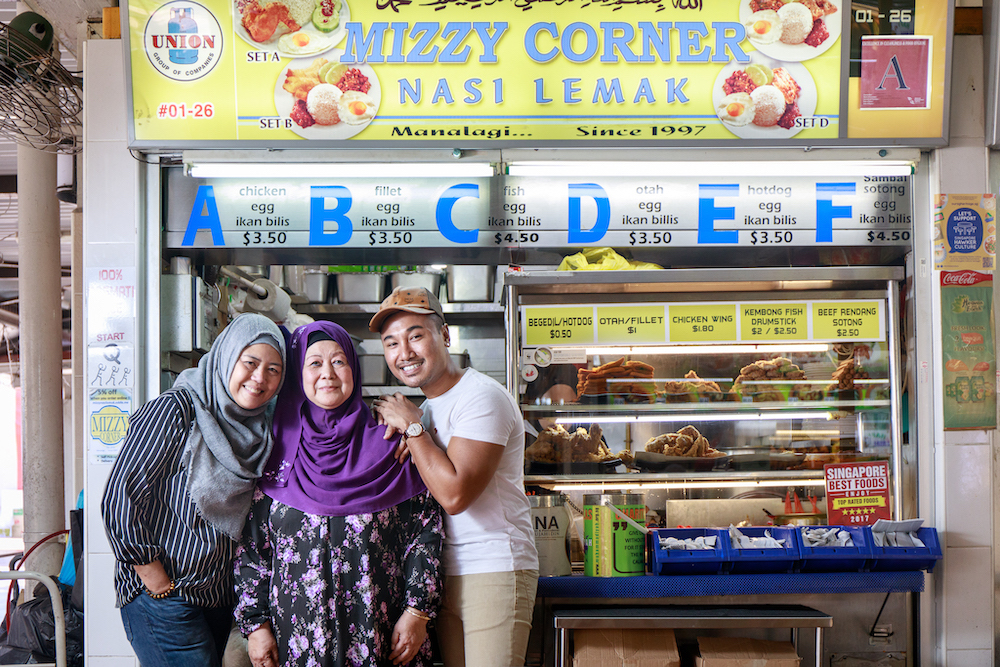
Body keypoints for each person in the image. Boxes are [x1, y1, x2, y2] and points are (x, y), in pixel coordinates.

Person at [234, 321, 443, 667]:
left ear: (354, 369)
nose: (327, 374)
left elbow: (425, 533)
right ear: (297, 374)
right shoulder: (274, 447)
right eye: (314, 363)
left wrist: (417, 612)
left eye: (339, 361)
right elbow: (253, 550)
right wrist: (255, 626)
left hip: (383, 638)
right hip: (297, 643)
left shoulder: (392, 441)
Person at [102, 313, 286, 667]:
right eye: (250, 362)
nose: (259, 378)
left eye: (273, 370)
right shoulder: (175, 410)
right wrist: (158, 582)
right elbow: (119, 500)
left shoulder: (260, 429)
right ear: (227, 356)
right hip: (166, 594)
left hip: (217, 598)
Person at [370, 286, 539, 667]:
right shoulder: (427, 409)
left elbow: (455, 495)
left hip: (495, 567)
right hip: (445, 574)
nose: (405, 353)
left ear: (444, 335)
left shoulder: (481, 397)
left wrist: (414, 430)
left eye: (416, 336)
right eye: (391, 343)